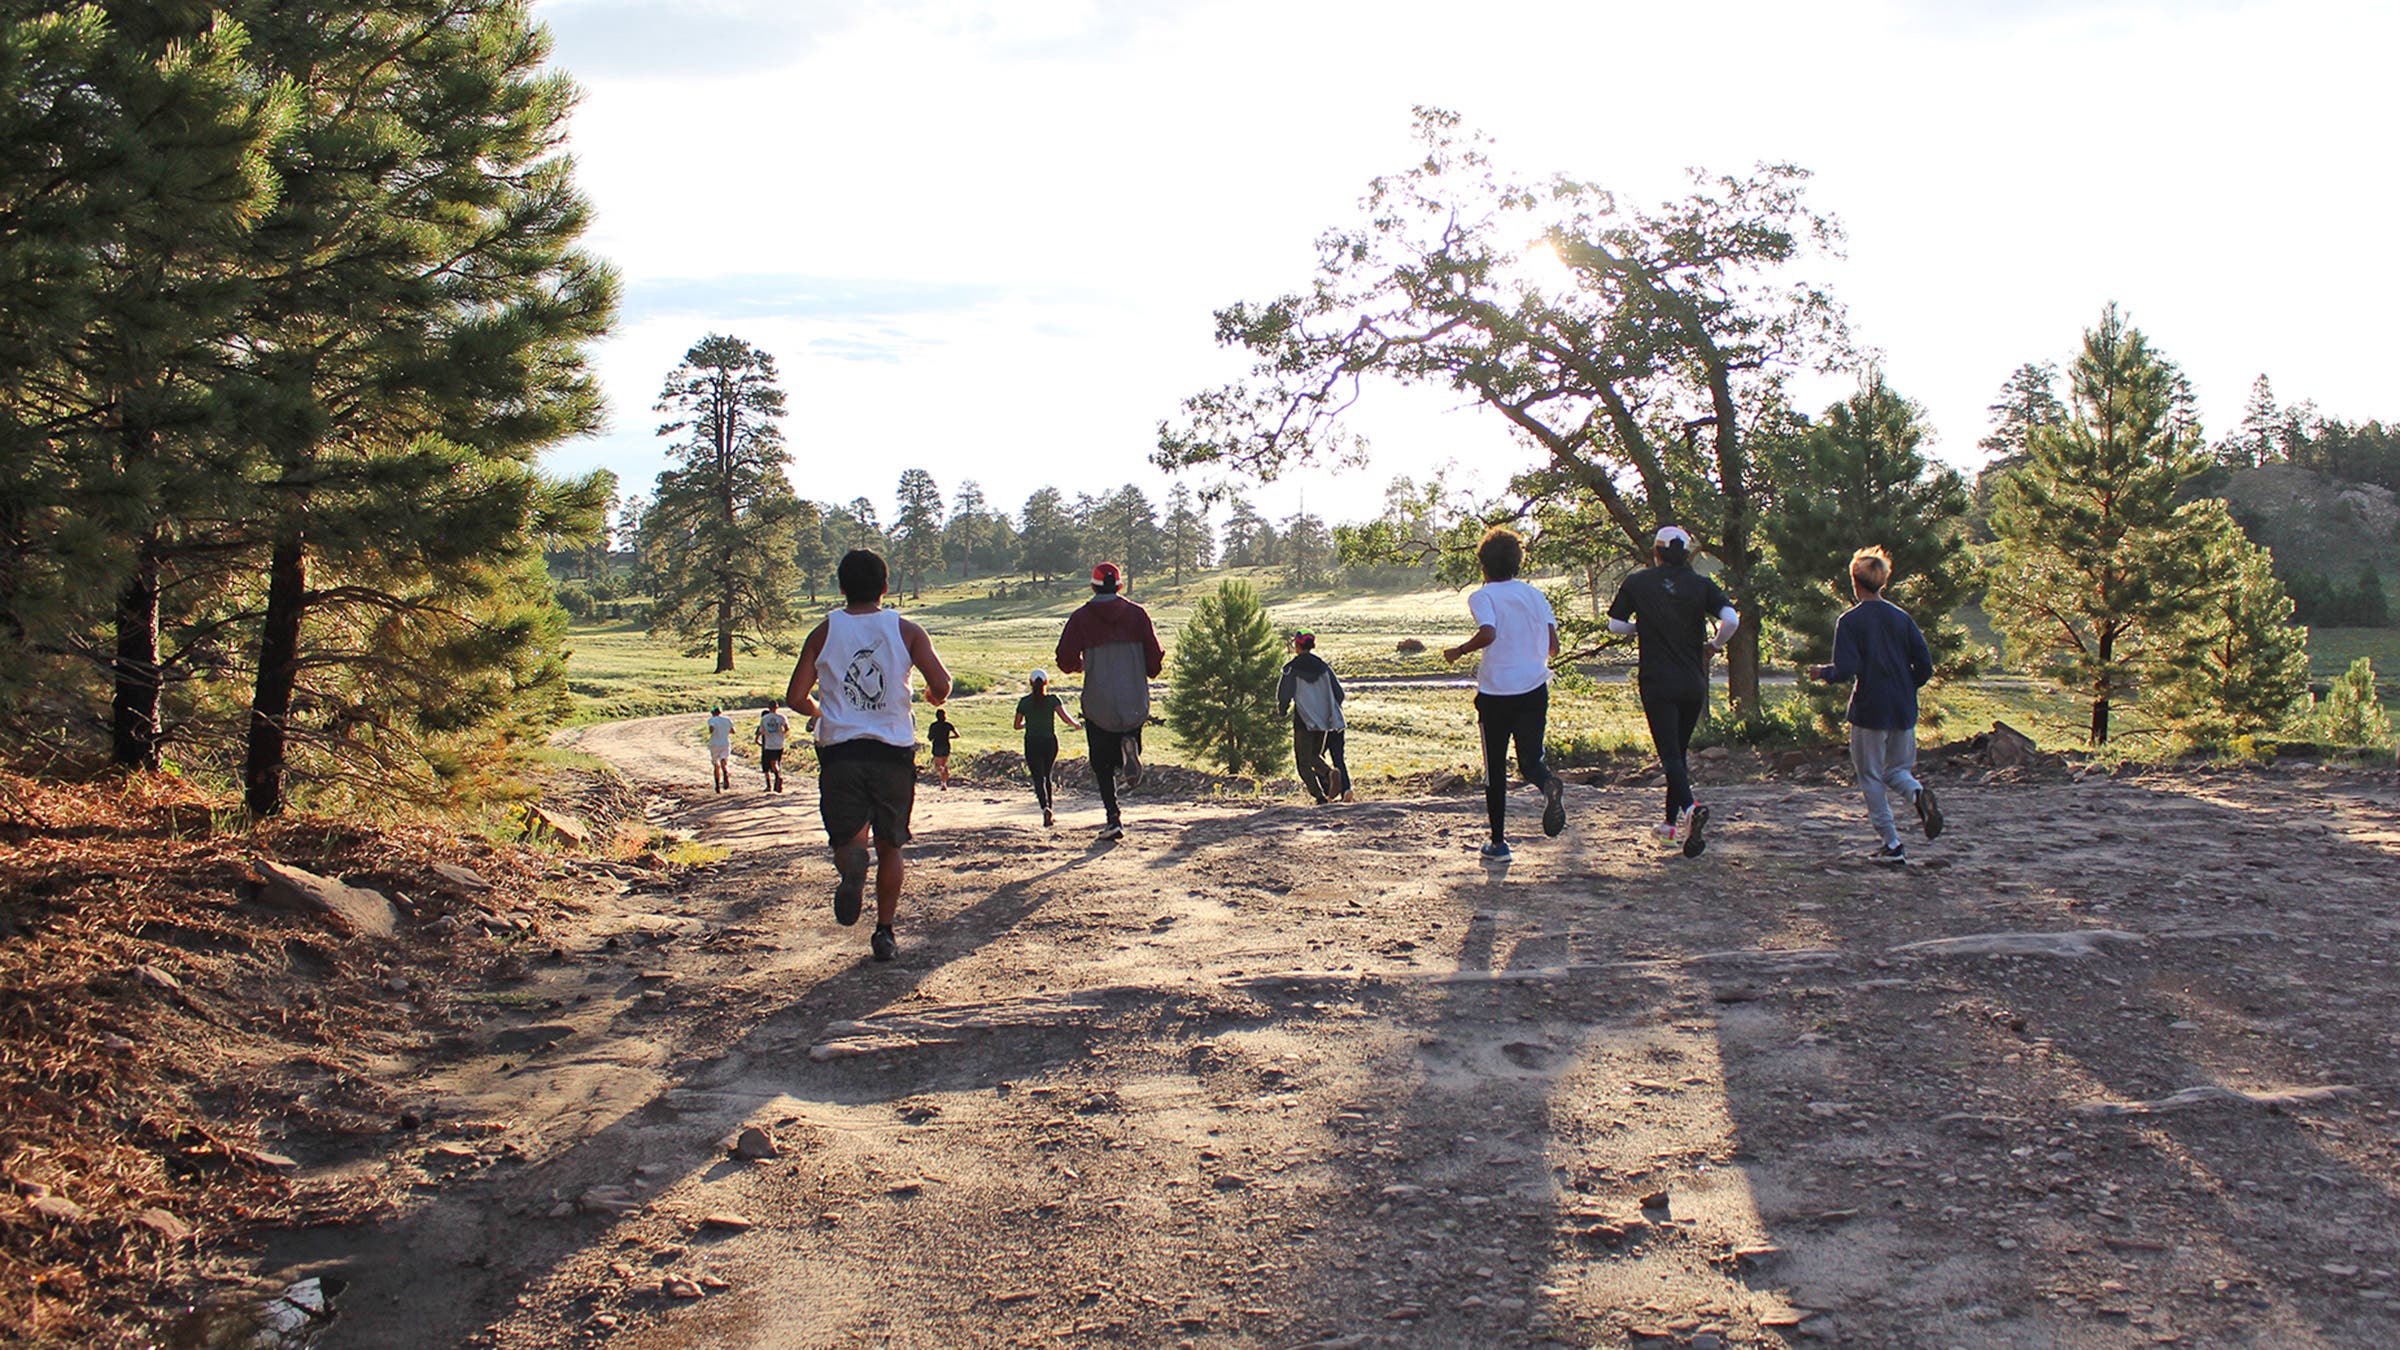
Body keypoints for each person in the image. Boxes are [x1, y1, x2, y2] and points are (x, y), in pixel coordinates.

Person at [786, 549, 952, 962]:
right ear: (885, 587)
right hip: (892, 752)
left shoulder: (824, 631)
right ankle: (884, 931)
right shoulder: (907, 630)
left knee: (849, 838)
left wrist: (820, 711)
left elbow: (795, 696)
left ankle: (852, 869)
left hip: (841, 752)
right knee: (891, 845)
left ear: (842, 588)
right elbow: (941, 683)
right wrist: (933, 696)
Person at [1607, 525, 1739, 857]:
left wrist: (1642, 627)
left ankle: (1691, 809)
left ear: (1657, 551)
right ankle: (1668, 827)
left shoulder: (1638, 583)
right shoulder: (1703, 585)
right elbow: (1732, 621)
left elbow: (1615, 624)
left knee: (1669, 755)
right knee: (1677, 754)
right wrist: (1715, 645)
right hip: (1693, 681)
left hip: (1657, 681)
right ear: (1687, 553)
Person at [1810, 546, 1942, 865]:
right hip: (1903, 706)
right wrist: (1906, 687)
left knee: (1870, 775)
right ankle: (1917, 794)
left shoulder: (1850, 621)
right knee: (1896, 770)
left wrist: (1823, 673)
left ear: (1855, 583)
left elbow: (1847, 669)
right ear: (1882, 581)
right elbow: (1925, 666)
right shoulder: (1902, 618)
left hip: (1870, 707)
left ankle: (1892, 844)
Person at [1443, 527, 1568, 860]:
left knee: (1495, 769)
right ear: (1518, 563)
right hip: (1534, 688)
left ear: (1483, 566)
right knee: (1530, 761)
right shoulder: (1536, 596)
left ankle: (1498, 844)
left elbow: (1488, 633)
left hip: (1496, 693)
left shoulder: (1483, 596)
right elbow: (1553, 647)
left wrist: (1459, 650)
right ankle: (1547, 784)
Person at [1054, 561, 1163, 841]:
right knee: (1128, 732)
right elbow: (1154, 660)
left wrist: (1079, 665)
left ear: (1093, 586)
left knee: (1102, 765)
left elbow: (1064, 659)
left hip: (1098, 700)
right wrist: (1146, 669)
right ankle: (1130, 747)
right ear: (1119, 586)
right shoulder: (1138, 615)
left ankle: (1113, 818)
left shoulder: (1081, 617)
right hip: (1133, 699)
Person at [1278, 629, 1353, 804]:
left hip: (1303, 721)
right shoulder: (1324, 667)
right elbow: (1339, 694)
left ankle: (1320, 796)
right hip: (1323, 722)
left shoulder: (1291, 668)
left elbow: (1284, 694)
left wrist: (1282, 710)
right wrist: (1326, 711)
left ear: (1297, 646)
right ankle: (1331, 774)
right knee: (1314, 756)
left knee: (1303, 763)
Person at [1013, 669, 1080, 828]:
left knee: (1038, 778)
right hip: (1049, 742)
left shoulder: (1024, 702)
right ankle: (1050, 808)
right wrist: (1076, 724)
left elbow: (1016, 725)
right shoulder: (1052, 700)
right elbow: (1065, 718)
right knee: (1047, 775)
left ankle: (1044, 807)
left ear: (1030, 683)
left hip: (1032, 742)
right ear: (1046, 683)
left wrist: (1028, 724)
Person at [755, 698, 791, 793]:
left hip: (769, 744)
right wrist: (782, 734)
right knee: (777, 762)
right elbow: (787, 728)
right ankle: (777, 780)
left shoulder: (764, 718)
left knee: (773, 763)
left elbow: (761, 731)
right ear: (777, 707)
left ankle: (778, 777)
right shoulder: (782, 717)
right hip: (780, 743)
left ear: (768, 707)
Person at [705, 705, 734, 792]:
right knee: (724, 762)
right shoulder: (727, 719)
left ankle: (717, 785)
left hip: (714, 744)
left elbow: (711, 730)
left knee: (716, 765)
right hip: (725, 743)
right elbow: (733, 731)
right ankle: (725, 772)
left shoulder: (711, 720)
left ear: (713, 713)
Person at [927, 709, 958, 790]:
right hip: (946, 745)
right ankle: (944, 782)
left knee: (938, 766)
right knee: (944, 764)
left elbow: (930, 737)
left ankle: (943, 781)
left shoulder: (933, 725)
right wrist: (948, 737)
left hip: (937, 745)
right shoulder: (948, 725)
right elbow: (957, 735)